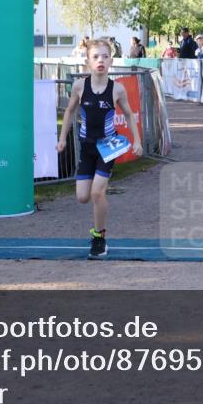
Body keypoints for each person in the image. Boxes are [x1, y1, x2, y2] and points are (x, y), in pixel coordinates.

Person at [56, 39, 143, 259]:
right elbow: (68, 112)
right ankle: (98, 221)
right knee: (82, 197)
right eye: (95, 57)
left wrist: (137, 140)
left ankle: (99, 238)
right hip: (86, 147)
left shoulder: (118, 89)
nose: (100, 61)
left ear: (111, 61)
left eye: (105, 56)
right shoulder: (79, 86)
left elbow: (130, 115)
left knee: (97, 192)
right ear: (87, 61)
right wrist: (63, 138)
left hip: (108, 146)